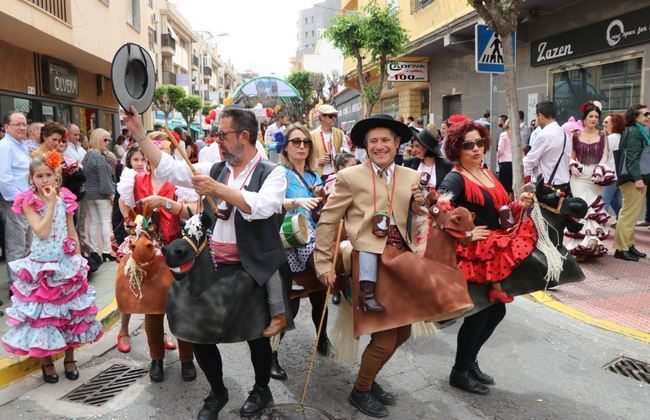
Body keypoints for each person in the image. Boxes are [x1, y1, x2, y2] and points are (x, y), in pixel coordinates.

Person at [124, 105, 288, 418]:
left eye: (221, 134)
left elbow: (264, 207)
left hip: (251, 267)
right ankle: (218, 391)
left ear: (243, 136)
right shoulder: (217, 168)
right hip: (213, 264)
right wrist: (139, 132)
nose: (216, 140)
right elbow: (171, 169)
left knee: (256, 334)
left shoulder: (272, 172)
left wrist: (218, 189)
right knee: (192, 326)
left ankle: (262, 388)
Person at [314, 114, 426, 418]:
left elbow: (419, 217)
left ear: (397, 143)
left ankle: (370, 378)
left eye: (385, 140)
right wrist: (324, 263)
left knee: (402, 333)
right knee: (385, 335)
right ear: (365, 146)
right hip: (369, 263)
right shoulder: (350, 177)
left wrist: (422, 204)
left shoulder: (411, 176)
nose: (380, 146)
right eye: (373, 141)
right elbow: (328, 220)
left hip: (402, 262)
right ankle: (360, 391)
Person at [438, 119, 535, 395]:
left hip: (495, 249)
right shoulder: (455, 178)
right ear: (457, 149)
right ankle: (460, 371)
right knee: (479, 315)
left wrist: (519, 205)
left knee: (495, 312)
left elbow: (501, 210)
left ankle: (469, 363)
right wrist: (466, 234)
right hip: (474, 255)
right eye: (468, 145)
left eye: (479, 143)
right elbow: (441, 208)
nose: (476, 149)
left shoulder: (487, 173)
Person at [2, 151, 103, 383]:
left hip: (65, 262)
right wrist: (49, 204)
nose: (44, 180)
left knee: (69, 313)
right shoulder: (29, 201)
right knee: (44, 317)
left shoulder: (65, 197)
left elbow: (71, 229)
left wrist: (78, 259)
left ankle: (69, 358)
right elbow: (41, 231)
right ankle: (46, 362)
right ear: (31, 179)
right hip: (41, 266)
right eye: (39, 176)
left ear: (56, 176)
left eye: (48, 175)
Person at [114, 134, 199, 382]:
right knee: (152, 310)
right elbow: (125, 208)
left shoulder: (179, 182)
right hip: (149, 253)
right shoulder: (135, 180)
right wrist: (133, 226)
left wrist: (168, 204)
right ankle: (157, 359)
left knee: (181, 309)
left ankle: (186, 359)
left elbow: (192, 215)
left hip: (177, 252)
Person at [270, 124, 329, 381]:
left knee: (322, 295)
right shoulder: (279, 174)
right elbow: (271, 204)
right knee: (289, 307)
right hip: (290, 240)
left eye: (306, 142)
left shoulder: (316, 177)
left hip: (315, 236)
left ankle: (323, 338)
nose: (302, 146)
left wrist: (325, 199)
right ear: (285, 147)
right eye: (296, 142)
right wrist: (296, 203)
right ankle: (272, 355)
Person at [565, 102, 612, 260]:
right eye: (590, 116)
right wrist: (572, 167)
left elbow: (605, 155)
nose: (594, 119)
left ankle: (590, 245)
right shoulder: (576, 135)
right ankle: (581, 247)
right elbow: (572, 155)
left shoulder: (603, 135)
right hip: (578, 177)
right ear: (584, 119)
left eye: (596, 117)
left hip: (595, 178)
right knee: (583, 210)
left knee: (593, 212)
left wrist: (600, 169)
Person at [613, 104, 649, 262]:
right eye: (645, 114)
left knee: (631, 214)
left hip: (633, 178)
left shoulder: (637, 130)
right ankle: (621, 249)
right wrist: (638, 179)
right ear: (635, 117)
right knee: (628, 214)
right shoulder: (635, 131)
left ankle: (629, 245)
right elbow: (632, 157)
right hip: (633, 179)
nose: (648, 116)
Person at [0, 111, 32, 282]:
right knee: (16, 245)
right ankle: (17, 284)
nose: (22, 127)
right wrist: (19, 200)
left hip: (27, 202)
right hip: (15, 203)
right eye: (17, 124)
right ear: (6, 127)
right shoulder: (4, 147)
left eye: (24, 124)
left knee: (28, 244)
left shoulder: (21, 145)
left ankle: (25, 280)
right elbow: (4, 179)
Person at [523, 102, 572, 194]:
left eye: (536, 116)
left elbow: (530, 161)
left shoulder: (544, 135)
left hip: (547, 187)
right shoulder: (565, 134)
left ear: (540, 116)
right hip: (564, 186)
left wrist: (527, 181)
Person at [82, 129, 116, 263]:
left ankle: (94, 250)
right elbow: (104, 179)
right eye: (105, 140)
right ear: (97, 140)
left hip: (88, 194)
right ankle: (107, 250)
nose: (107, 143)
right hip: (101, 194)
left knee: (93, 222)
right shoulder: (100, 158)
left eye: (108, 140)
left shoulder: (87, 156)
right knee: (105, 222)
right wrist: (110, 193)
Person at [403, 128, 453, 193]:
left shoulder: (446, 166)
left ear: (426, 147)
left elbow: (448, 191)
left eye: (417, 146)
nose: (413, 150)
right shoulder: (409, 163)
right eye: (413, 146)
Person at [311, 104, 349, 178]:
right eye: (331, 116)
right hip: (319, 176)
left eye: (335, 116)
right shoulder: (312, 135)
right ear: (322, 117)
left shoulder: (340, 133)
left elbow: (346, 152)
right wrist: (318, 160)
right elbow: (306, 157)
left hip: (337, 174)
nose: (334, 118)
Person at [602, 113, 625, 220]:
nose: (603, 124)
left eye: (606, 122)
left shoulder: (609, 138)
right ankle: (622, 220)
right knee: (616, 200)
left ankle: (600, 224)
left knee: (604, 200)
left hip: (609, 174)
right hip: (619, 174)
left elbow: (603, 158)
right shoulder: (622, 138)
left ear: (614, 124)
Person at [497, 119, 513, 193]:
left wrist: (497, 156)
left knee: (505, 186)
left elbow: (500, 149)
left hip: (505, 161)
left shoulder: (504, 134)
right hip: (513, 162)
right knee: (511, 186)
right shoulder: (516, 135)